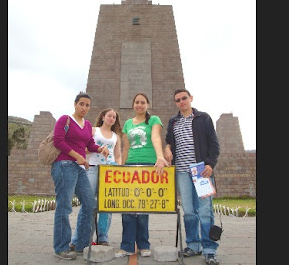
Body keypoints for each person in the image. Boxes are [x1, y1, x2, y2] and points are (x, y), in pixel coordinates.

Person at [164, 88, 220, 265]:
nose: (182, 102)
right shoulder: (173, 122)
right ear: (175, 103)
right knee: (188, 210)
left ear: (191, 98)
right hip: (181, 171)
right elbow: (169, 142)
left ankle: (210, 249)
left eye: (184, 98)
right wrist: (167, 149)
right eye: (178, 100)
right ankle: (193, 245)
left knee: (205, 210)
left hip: (201, 170)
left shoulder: (203, 118)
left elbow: (214, 143)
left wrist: (210, 164)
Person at [51, 91, 109, 260]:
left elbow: (89, 144)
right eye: (81, 104)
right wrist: (78, 157)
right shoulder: (65, 119)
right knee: (64, 206)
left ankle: (80, 244)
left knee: (90, 203)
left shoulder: (87, 124)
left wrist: (100, 148)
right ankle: (61, 247)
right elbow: (58, 141)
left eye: (87, 105)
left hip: (79, 168)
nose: (84, 107)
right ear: (75, 104)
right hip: (64, 165)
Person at [115, 92, 169, 258]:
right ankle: (127, 246)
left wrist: (160, 156)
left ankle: (144, 244)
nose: (139, 105)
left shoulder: (154, 120)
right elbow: (126, 148)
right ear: (133, 105)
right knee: (128, 207)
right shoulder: (127, 124)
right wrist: (121, 167)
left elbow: (155, 137)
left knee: (144, 206)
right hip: (131, 166)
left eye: (142, 102)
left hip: (148, 166)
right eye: (137, 102)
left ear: (147, 105)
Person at [71, 108, 122, 247]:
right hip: (93, 168)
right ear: (103, 117)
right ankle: (79, 239)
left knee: (107, 205)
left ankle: (103, 237)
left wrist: (118, 166)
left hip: (110, 171)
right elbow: (84, 148)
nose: (111, 118)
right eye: (109, 116)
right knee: (88, 204)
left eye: (114, 117)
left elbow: (118, 155)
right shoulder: (94, 130)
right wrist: (98, 148)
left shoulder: (115, 136)